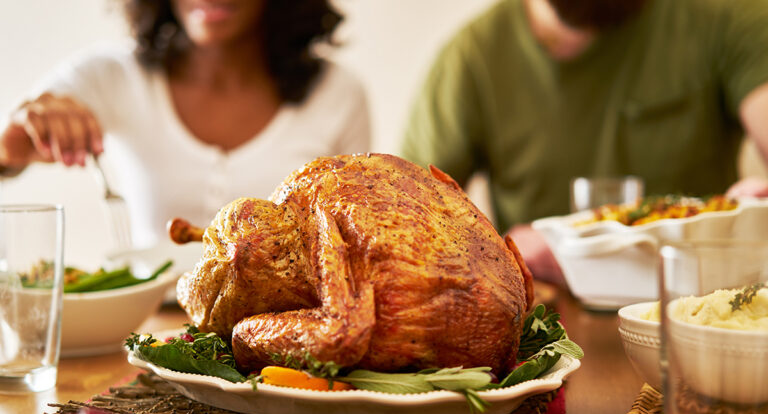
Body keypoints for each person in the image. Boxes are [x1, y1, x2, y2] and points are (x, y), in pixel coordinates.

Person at [401, 0, 768, 284]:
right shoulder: (471, 59)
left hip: (697, 309)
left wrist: (751, 218)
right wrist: (498, 253)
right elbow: (409, 230)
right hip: (548, 336)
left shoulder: (724, 16)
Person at [0, 0, 370, 249]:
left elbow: (350, 244)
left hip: (277, 346)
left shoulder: (339, 94)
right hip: (147, 337)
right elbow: (10, 144)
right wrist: (13, 144)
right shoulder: (111, 75)